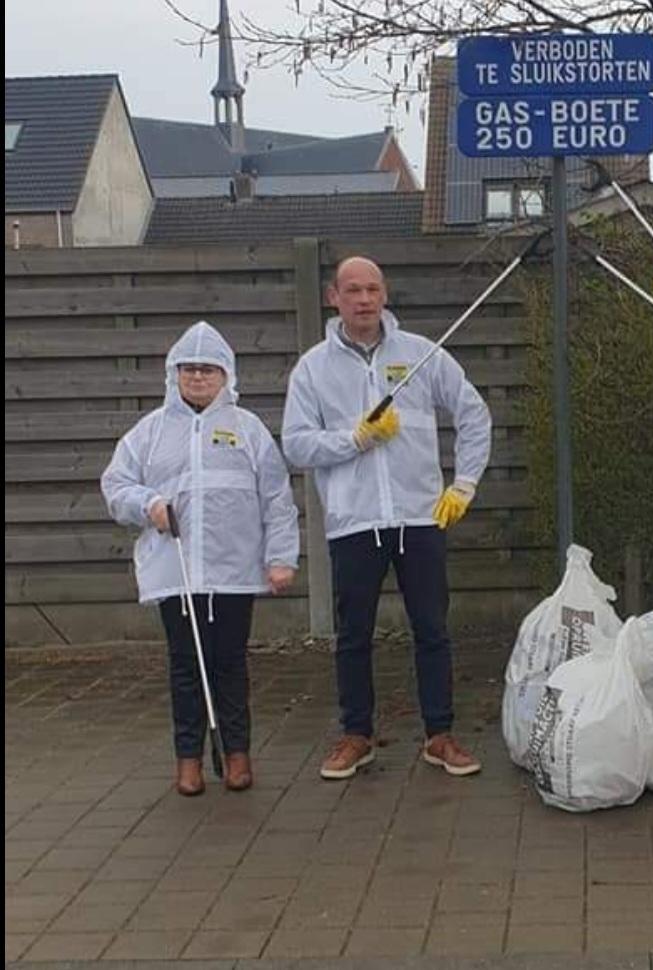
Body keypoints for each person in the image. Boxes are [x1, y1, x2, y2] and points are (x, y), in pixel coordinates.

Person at [282, 256, 492, 781]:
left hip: (420, 518)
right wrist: (354, 439)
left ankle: (439, 734)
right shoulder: (313, 368)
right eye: (353, 290)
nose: (363, 299)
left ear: (385, 294)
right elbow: (296, 444)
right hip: (355, 523)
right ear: (334, 296)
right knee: (353, 635)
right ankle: (357, 735)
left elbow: (473, 413)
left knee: (432, 630)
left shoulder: (422, 356)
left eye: (372, 289)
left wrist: (464, 484)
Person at [101, 321, 299, 797]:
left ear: (226, 375)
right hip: (178, 572)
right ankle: (187, 759)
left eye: (207, 369)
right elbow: (116, 484)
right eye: (187, 369)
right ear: (173, 374)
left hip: (234, 571)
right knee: (186, 665)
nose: (197, 377)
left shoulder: (247, 430)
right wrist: (149, 505)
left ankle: (237, 755)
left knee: (230, 663)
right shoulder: (148, 432)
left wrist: (281, 558)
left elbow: (277, 498)